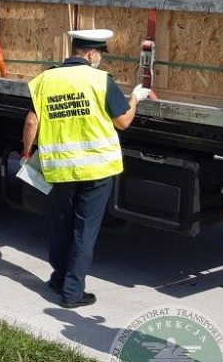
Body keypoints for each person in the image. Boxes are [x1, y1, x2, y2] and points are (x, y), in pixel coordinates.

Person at [21, 29, 151, 309]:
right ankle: (72, 293)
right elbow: (123, 122)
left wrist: (27, 153)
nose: (100, 59)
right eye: (99, 54)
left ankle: (58, 279)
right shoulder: (100, 80)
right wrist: (135, 98)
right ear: (91, 54)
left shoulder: (46, 79)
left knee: (62, 225)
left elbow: (32, 121)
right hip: (96, 171)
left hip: (60, 169)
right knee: (85, 230)